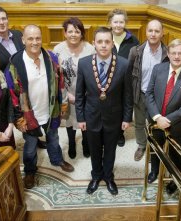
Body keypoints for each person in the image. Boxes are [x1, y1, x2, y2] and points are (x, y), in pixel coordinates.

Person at [5, 25, 74, 189]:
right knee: (29, 147)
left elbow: (61, 84)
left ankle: (57, 160)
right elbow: (13, 96)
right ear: (23, 40)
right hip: (29, 115)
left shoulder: (51, 58)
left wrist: (63, 103)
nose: (34, 42)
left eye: (37, 38)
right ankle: (29, 171)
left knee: (54, 138)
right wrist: (18, 118)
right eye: (30, 38)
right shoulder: (14, 64)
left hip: (51, 110)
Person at [75, 27, 133, 196]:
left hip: (114, 116)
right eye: (99, 42)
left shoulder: (123, 64)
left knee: (110, 149)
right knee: (94, 149)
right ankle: (96, 176)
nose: (103, 45)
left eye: (107, 42)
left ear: (112, 43)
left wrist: (127, 117)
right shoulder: (84, 63)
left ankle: (108, 176)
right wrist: (80, 117)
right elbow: (79, 94)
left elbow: (127, 94)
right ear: (94, 43)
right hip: (91, 115)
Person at [0, 6, 46, 149]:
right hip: (6, 89)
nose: (1, 22)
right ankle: (31, 140)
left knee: (31, 113)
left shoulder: (18, 35)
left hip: (28, 84)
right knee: (19, 117)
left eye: (4, 18)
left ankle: (36, 138)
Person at [146, 39, 181, 195]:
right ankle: (154, 171)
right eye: (174, 53)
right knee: (155, 149)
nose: (177, 56)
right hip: (155, 121)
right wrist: (157, 117)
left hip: (177, 125)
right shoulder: (158, 69)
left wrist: (167, 120)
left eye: (180, 53)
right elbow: (148, 94)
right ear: (168, 54)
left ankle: (176, 179)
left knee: (176, 154)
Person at [53, 17, 95, 159]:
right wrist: (66, 95)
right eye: (70, 31)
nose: (73, 34)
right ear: (65, 33)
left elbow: (95, 75)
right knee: (69, 120)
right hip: (66, 94)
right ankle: (71, 143)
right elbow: (56, 76)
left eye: (77, 31)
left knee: (85, 120)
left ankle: (86, 143)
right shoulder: (57, 50)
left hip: (86, 94)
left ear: (82, 33)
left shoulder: (90, 49)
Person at [129, 19, 168, 161]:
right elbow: (129, 75)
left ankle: (154, 149)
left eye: (157, 31)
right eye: (150, 30)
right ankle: (141, 145)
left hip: (157, 98)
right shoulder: (135, 51)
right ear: (145, 32)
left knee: (155, 125)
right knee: (139, 123)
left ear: (162, 33)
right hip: (140, 95)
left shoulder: (168, 54)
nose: (153, 34)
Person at [107, 8, 139, 147]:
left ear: (125, 23)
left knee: (123, 108)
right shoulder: (105, 37)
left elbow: (136, 62)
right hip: (107, 81)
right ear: (110, 22)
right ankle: (108, 132)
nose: (118, 25)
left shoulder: (133, 40)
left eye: (121, 22)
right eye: (115, 22)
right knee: (108, 108)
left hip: (126, 81)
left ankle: (120, 134)